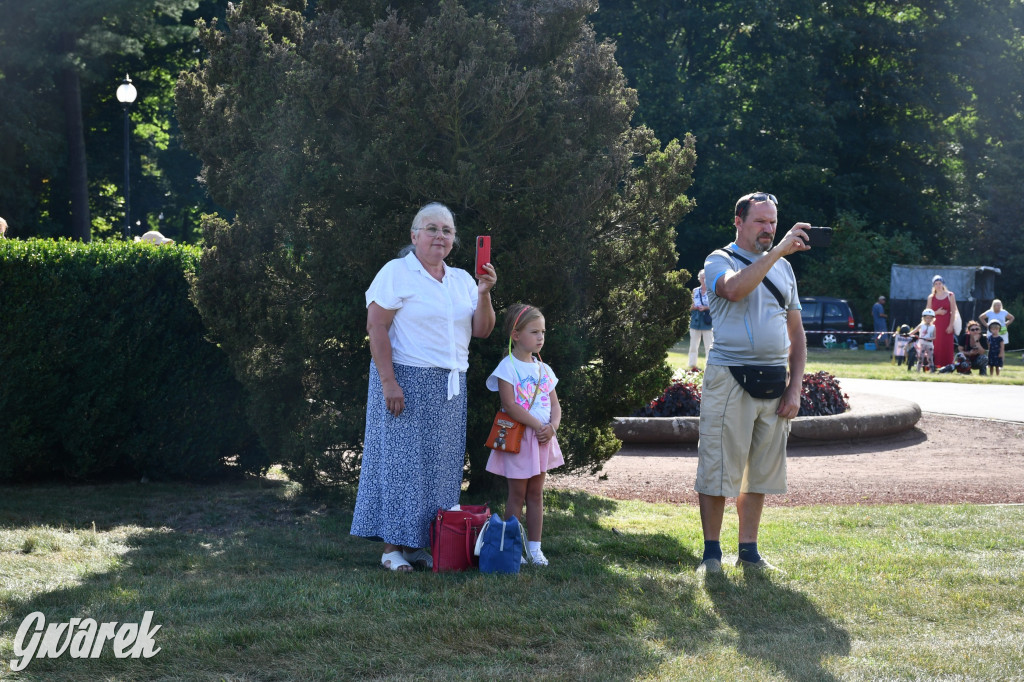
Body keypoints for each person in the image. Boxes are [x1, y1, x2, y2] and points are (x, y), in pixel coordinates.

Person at [350, 202, 497, 572]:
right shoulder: (397, 273)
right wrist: (389, 383)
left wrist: (484, 292)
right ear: (414, 235)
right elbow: (376, 327)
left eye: (447, 231)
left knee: (440, 469)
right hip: (405, 380)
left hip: (449, 387)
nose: (440, 236)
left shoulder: (463, 279)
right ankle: (391, 549)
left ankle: (425, 543)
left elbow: (482, 330)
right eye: (431, 228)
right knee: (403, 465)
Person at [694, 191, 808, 575]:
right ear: (739, 222)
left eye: (773, 221)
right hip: (729, 378)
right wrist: (775, 253)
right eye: (760, 221)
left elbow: (797, 333)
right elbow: (733, 289)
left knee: (758, 472)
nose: (769, 229)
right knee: (717, 469)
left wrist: (795, 387)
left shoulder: (785, 270)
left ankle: (749, 552)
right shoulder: (718, 260)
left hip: (775, 382)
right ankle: (712, 554)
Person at [485, 303, 564, 567]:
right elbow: (509, 404)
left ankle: (535, 549)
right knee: (517, 494)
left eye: (543, 332)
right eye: (534, 332)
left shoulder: (544, 369)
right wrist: (535, 425)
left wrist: (552, 427)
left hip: (542, 439)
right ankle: (512, 546)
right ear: (516, 335)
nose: (541, 337)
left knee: (536, 494)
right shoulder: (507, 367)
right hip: (520, 439)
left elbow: (555, 404)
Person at [926, 275, 959, 367]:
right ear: (933, 285)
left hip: (947, 324)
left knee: (947, 345)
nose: (938, 285)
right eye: (936, 284)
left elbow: (953, 311)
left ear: (943, 284)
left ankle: (948, 365)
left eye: (939, 283)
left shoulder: (950, 295)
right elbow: (927, 313)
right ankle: (935, 365)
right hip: (935, 326)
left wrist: (951, 325)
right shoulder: (931, 297)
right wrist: (937, 312)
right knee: (936, 345)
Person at [688, 269, 714, 371]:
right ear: (699, 279)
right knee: (693, 345)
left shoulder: (712, 291)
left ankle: (709, 365)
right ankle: (692, 365)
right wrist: (693, 307)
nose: (704, 279)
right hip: (696, 320)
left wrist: (706, 308)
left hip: (708, 321)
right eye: (702, 277)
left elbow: (715, 306)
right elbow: (689, 307)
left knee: (709, 346)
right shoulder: (695, 291)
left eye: (706, 277)